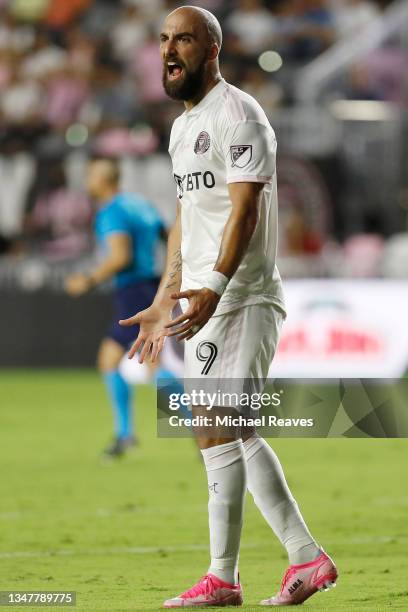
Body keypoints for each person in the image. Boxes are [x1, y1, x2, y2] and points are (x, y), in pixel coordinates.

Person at [120, 6, 338, 607]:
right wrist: (167, 294)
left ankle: (224, 576)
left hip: (242, 295)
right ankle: (305, 559)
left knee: (219, 429)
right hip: (203, 298)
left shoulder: (239, 115)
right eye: (164, 39)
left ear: (211, 49)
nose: (170, 50)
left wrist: (213, 284)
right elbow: (188, 218)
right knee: (227, 432)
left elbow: (246, 211)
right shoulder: (182, 128)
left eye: (184, 39)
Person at [65, 157, 165, 458]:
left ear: (104, 180)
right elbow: (169, 235)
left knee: (146, 365)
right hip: (153, 285)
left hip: (133, 291)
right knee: (114, 359)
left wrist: (88, 280)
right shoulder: (140, 204)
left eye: (91, 175)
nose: (87, 181)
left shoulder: (111, 212)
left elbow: (120, 257)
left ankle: (201, 426)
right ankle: (125, 434)